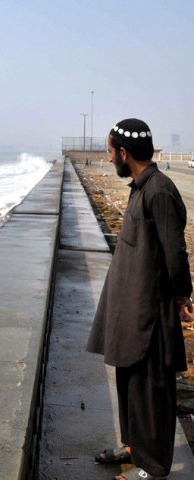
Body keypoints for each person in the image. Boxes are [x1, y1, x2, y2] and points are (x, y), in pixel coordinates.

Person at [86, 118, 193, 480]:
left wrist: (181, 296)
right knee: (130, 380)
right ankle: (134, 446)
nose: (108, 155)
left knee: (150, 389)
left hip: (149, 310)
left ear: (124, 152)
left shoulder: (159, 191)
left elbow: (175, 252)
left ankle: (153, 467)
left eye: (109, 150)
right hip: (130, 308)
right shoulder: (140, 187)